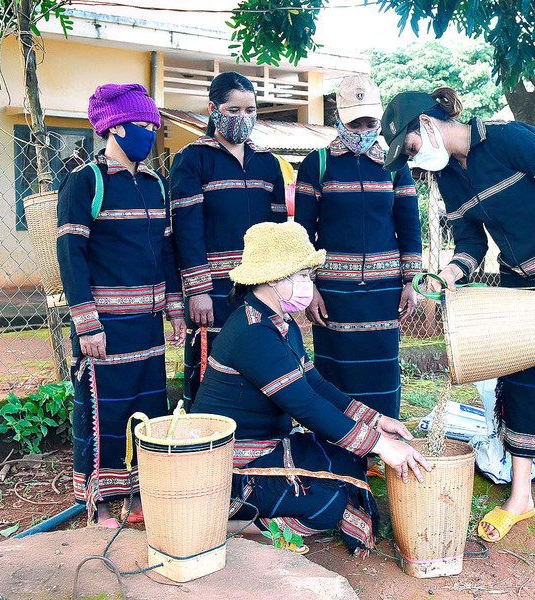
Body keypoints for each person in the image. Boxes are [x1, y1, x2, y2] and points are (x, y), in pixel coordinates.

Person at [381, 88, 535, 548]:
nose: (412, 161)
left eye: (410, 149)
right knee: (523, 382)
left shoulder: (510, 139)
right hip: (518, 278)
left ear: (427, 126)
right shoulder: (447, 176)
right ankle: (521, 496)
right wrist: (450, 273)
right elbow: (471, 243)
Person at [191, 221, 429, 555]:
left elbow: (314, 384)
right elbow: (304, 404)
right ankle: (223, 524)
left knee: (349, 460)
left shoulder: (277, 322)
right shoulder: (252, 333)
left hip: (268, 447)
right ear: (274, 278)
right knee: (328, 502)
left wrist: (374, 421)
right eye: (303, 275)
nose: (309, 283)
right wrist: (380, 445)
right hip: (229, 468)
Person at [57, 83, 186, 527]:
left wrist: (175, 309)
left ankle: (136, 492)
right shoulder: (85, 182)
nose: (150, 132)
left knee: (146, 406)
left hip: (147, 325)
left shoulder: (156, 185)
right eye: (142, 124)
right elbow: (71, 255)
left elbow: (166, 253)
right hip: (105, 326)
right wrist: (86, 324)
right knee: (103, 409)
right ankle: (102, 502)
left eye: (153, 124)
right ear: (115, 127)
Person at [294, 75, 422, 422]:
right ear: (338, 116)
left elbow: (409, 227)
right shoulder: (317, 164)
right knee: (336, 374)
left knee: (382, 372)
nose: (364, 129)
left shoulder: (395, 167)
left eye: (371, 122)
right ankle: (339, 447)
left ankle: (382, 446)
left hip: (385, 292)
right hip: (333, 294)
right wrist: (308, 289)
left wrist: (412, 282)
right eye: (356, 122)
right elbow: (303, 236)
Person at [170, 71, 286, 408]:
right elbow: (186, 230)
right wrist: (198, 291)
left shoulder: (268, 163)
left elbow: (279, 230)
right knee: (211, 371)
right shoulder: (192, 159)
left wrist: (281, 283)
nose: (243, 118)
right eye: (233, 111)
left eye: (250, 110)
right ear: (213, 109)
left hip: (263, 287)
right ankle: (205, 450)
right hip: (214, 291)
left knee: (264, 361)